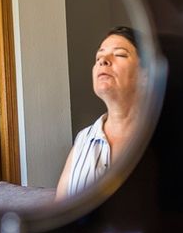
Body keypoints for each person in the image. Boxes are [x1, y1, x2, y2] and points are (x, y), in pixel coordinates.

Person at [55, 26, 143, 199]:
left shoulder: (166, 138)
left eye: (120, 54)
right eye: (98, 57)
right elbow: (60, 209)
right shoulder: (83, 140)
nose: (103, 60)